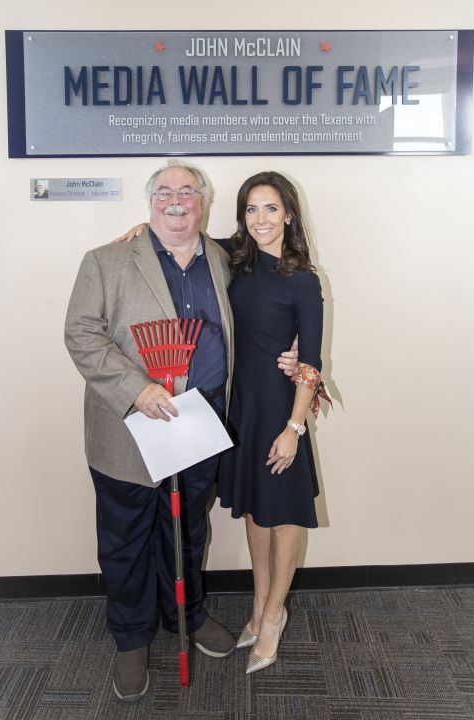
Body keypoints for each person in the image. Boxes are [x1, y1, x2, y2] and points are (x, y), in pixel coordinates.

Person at [63, 160, 296, 701]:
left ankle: (185, 615)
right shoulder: (106, 260)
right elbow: (81, 334)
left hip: (199, 427)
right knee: (126, 538)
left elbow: (271, 295)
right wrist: (137, 389)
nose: (176, 200)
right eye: (164, 191)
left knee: (187, 531)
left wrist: (299, 348)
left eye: (186, 191)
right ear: (149, 203)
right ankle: (131, 637)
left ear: (203, 202)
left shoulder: (224, 258)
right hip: (129, 429)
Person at [113, 170, 331, 675]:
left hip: (281, 411)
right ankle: (256, 609)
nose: (260, 219)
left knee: (285, 516)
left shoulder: (304, 280)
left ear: (289, 214)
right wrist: (135, 232)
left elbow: (312, 362)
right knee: (257, 513)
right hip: (242, 408)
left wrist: (295, 427)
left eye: (271, 209)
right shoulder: (234, 258)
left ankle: (275, 615)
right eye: (252, 209)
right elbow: (178, 231)